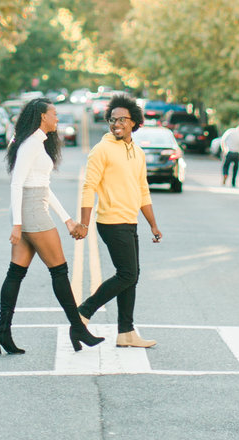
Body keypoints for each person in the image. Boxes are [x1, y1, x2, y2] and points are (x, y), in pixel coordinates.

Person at [0, 98, 104, 355]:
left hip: (32, 207)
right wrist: (17, 225)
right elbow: (17, 183)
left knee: (15, 273)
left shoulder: (37, 143)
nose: (57, 118)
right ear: (42, 116)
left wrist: (67, 220)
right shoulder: (31, 144)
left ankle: (2, 332)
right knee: (60, 270)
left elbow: (44, 187)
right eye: (54, 114)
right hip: (31, 211)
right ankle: (77, 327)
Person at [76, 93, 163, 349]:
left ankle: (126, 332)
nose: (116, 124)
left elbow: (143, 190)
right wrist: (83, 223)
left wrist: (153, 224)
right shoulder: (101, 150)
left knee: (131, 276)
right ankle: (82, 313)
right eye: (113, 119)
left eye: (122, 119)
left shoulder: (137, 152)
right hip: (110, 221)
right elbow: (88, 186)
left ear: (134, 122)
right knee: (127, 274)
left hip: (130, 220)